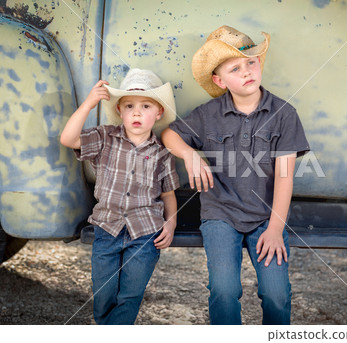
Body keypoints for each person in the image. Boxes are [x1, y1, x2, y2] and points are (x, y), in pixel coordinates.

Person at [161, 26, 310, 325]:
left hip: (267, 217)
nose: (247, 71)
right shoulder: (208, 114)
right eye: (235, 67)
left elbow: (284, 178)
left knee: (276, 294)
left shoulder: (284, 113)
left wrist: (275, 229)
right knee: (225, 290)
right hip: (221, 214)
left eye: (251, 62)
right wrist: (190, 154)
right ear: (219, 80)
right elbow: (168, 134)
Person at [60, 68, 179, 324]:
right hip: (107, 229)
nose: (136, 112)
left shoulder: (162, 154)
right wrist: (90, 103)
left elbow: (168, 193)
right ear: (119, 111)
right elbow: (68, 138)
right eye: (129, 106)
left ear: (158, 113)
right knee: (103, 296)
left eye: (146, 106)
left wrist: (171, 222)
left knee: (130, 296)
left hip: (145, 234)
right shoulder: (105, 137)